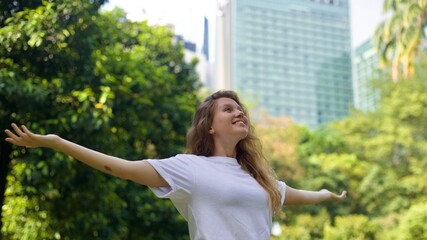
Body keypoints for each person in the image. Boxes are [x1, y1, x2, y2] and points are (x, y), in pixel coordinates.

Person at [4, 90, 346, 240]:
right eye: (228, 109)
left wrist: (327, 195)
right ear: (210, 126)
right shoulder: (190, 169)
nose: (239, 112)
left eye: (240, 108)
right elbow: (119, 167)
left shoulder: (258, 177)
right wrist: (57, 143)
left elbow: (297, 195)